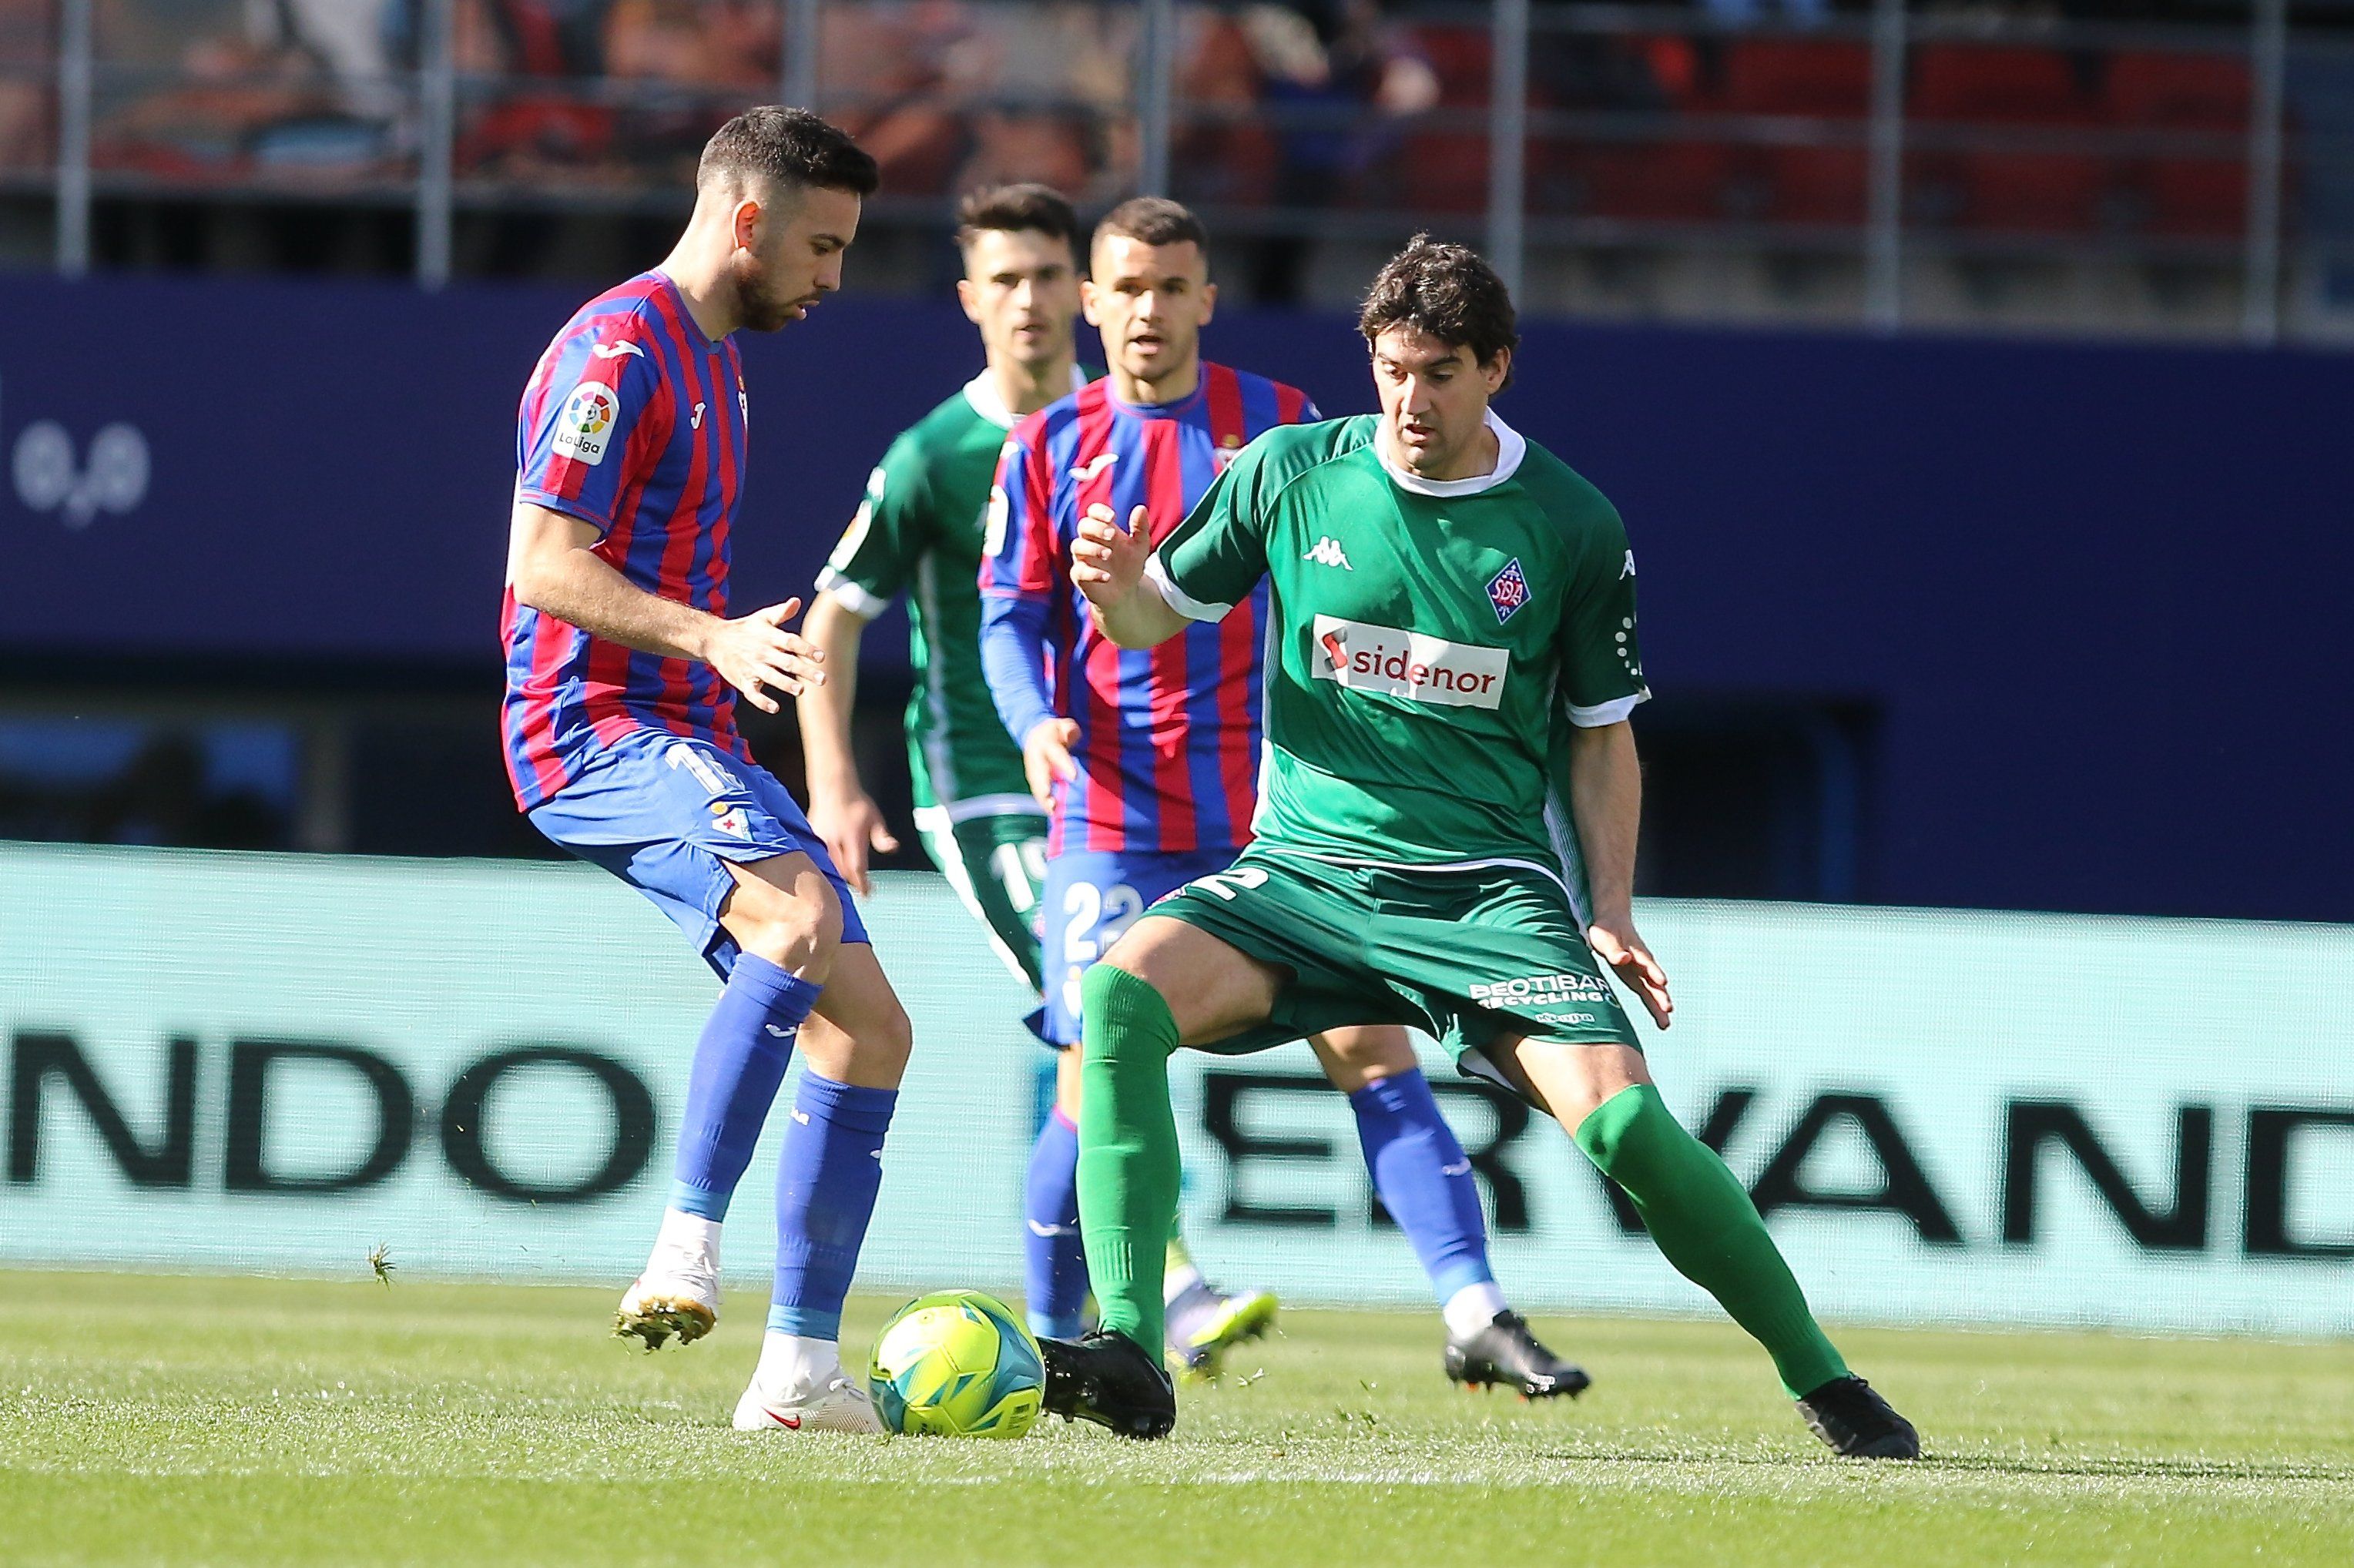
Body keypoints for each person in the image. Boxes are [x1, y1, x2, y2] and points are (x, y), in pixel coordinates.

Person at [1038, 234, 1921, 1459]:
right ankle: (1133, 1349)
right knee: (1119, 999)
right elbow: (1148, 620)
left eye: (1441, 372)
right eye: (1393, 369)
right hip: (1301, 875)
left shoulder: (1569, 523)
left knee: (1624, 1131)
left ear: (1496, 367)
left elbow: (1603, 741)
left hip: (1483, 895)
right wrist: (1113, 588)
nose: (1411, 399)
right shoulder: (1292, 471)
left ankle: (1827, 1383)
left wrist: (1608, 904)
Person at [981, 199, 1580, 1394]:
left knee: (1370, 1050)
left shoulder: (1284, 428)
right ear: (1090, 304)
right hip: (1108, 815)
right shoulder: (1043, 446)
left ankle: (1475, 1309)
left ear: (1207, 298)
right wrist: (1031, 719)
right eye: (1127, 288)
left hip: (1271, 819)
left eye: (1173, 287)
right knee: (1083, 1074)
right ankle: (1068, 1338)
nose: (1148, 311)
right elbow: (1006, 615)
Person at [800, 183, 1281, 1376]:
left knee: (1106, 1036)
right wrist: (835, 784)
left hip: (1139, 784)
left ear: (1085, 290)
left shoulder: (1173, 430)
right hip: (980, 785)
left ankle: (1111, 1309)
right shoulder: (938, 453)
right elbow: (835, 618)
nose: (1031, 300)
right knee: (1103, 1030)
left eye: (1048, 276)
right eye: (1003, 279)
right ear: (971, 300)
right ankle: (1154, 1289)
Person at [501, 106, 902, 1435]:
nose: (834, 280)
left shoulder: (720, 359)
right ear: (748, 222)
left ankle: (795, 1372)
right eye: (824, 247)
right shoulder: (619, 350)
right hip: (592, 720)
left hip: (686, 729)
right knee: (795, 920)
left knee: (874, 1027)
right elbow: (543, 565)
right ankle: (683, 1246)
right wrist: (713, 635)